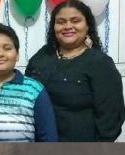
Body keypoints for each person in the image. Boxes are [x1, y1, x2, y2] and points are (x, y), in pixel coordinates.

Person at [25, 0, 125, 142]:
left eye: (75, 21)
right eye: (61, 22)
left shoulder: (100, 63)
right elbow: (24, 93)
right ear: (54, 27)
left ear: (87, 25)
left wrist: (98, 151)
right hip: (39, 148)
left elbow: (110, 120)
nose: (68, 26)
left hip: (82, 150)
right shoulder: (42, 56)